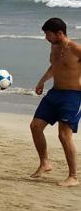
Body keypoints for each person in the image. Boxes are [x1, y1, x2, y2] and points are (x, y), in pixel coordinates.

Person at [30, 17, 81, 187]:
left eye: (48, 34)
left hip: (73, 96)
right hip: (55, 93)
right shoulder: (54, 47)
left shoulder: (76, 49)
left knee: (64, 136)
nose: (46, 38)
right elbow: (54, 67)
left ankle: (73, 176)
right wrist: (41, 81)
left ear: (60, 33)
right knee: (35, 126)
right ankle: (45, 163)